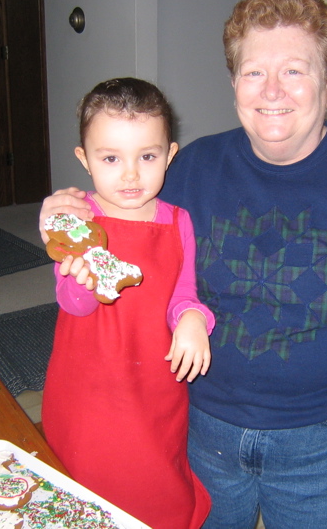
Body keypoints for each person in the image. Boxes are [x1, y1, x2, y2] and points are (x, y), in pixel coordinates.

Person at [39, 0, 327, 528]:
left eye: (294, 70)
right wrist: (63, 207)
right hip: (198, 429)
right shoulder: (187, 170)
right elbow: (117, 210)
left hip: (326, 443)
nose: (272, 91)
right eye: (254, 71)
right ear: (234, 83)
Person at [40, 77, 214, 529]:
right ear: (84, 159)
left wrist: (193, 319)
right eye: (111, 158)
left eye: (148, 157)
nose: (131, 174)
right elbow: (73, 304)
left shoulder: (179, 221)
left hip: (154, 387)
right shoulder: (78, 219)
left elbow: (184, 293)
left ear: (170, 155)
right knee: (86, 487)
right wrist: (80, 281)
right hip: (89, 390)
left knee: (157, 485)